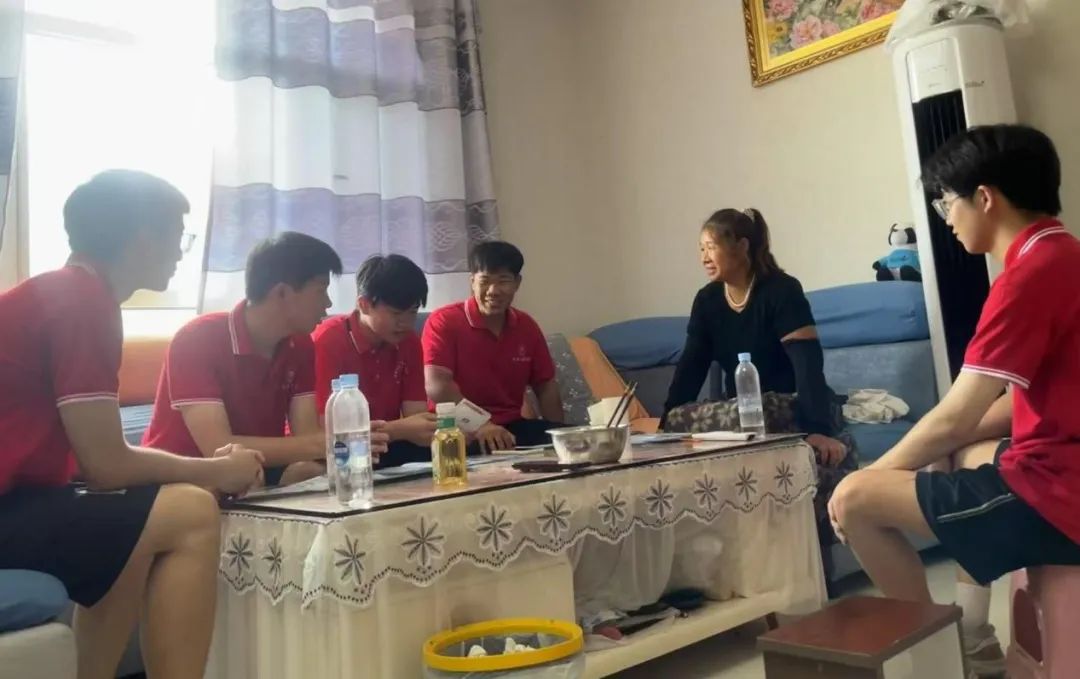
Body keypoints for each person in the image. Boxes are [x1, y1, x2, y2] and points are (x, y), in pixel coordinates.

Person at [829, 124, 1080, 679]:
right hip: (1064, 467)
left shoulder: (1028, 277)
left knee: (853, 501)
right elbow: (1015, 406)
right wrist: (943, 446)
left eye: (947, 202)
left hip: (1062, 494)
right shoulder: (1064, 255)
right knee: (960, 453)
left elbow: (955, 416)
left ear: (984, 198)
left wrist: (872, 474)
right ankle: (973, 637)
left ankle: (938, 664)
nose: (946, 218)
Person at [0, 170, 265, 679]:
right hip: (9, 507)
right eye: (179, 236)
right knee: (189, 510)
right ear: (144, 238)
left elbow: (94, 465)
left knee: (133, 521)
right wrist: (214, 472)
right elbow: (107, 465)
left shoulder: (64, 294)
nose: (180, 253)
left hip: (19, 500)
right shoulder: (80, 301)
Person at [661, 207, 857, 583]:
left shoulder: (782, 291)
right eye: (700, 249)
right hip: (742, 415)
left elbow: (807, 365)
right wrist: (666, 422)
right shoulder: (707, 301)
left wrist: (816, 429)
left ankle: (810, 573)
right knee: (691, 421)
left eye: (711, 247)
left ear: (742, 246)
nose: (703, 257)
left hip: (792, 404)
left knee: (765, 413)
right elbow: (691, 367)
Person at [142, 231, 387, 486]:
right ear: (282, 293)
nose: (327, 303)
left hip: (255, 470)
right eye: (320, 290)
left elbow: (305, 436)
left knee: (314, 473)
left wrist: (346, 445)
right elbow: (218, 448)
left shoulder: (301, 344)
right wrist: (332, 443)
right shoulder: (197, 338)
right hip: (184, 475)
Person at [423, 241, 564, 452]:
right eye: (485, 281)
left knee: (577, 443)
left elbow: (545, 386)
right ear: (472, 282)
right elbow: (438, 386)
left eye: (503, 281)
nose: (493, 291)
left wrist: (561, 435)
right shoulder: (444, 321)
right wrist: (482, 425)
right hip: (457, 429)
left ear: (517, 283)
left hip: (511, 427)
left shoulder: (526, 326)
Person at [312, 254, 437, 467]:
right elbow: (326, 430)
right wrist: (397, 429)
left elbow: (416, 418)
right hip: (337, 449)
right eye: (396, 314)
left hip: (385, 445)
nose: (406, 323)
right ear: (364, 304)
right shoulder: (328, 341)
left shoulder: (409, 342)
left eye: (413, 312)